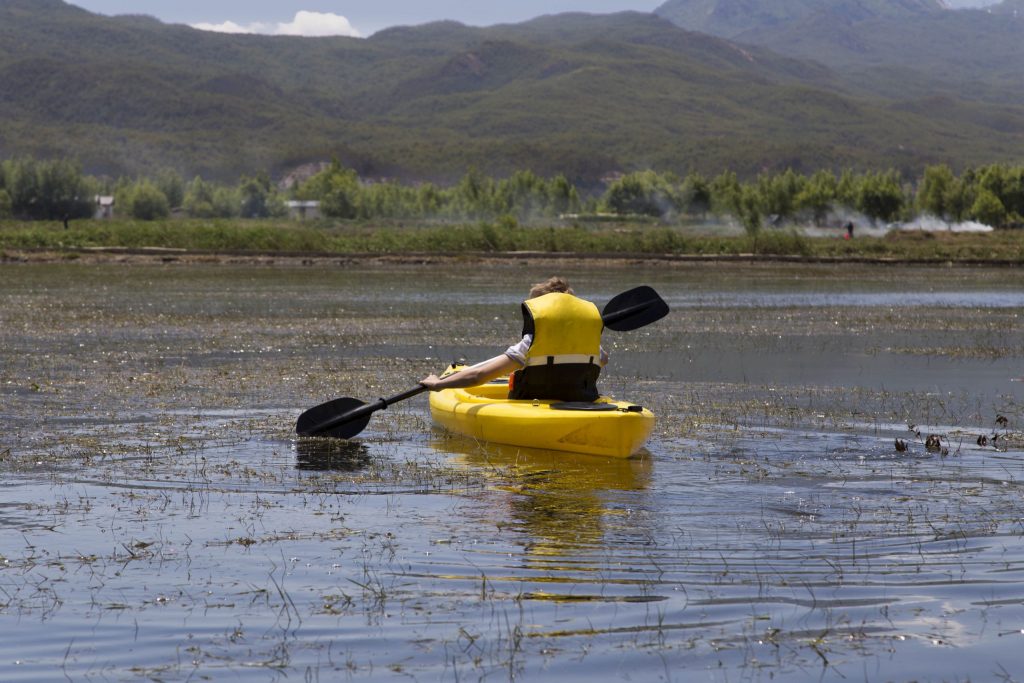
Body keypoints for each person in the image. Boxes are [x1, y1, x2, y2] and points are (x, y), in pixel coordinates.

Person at [420, 276, 609, 401]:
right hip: (581, 402)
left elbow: (478, 376)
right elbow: (603, 359)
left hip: (534, 407)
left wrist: (438, 384)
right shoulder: (593, 345)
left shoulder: (529, 344)